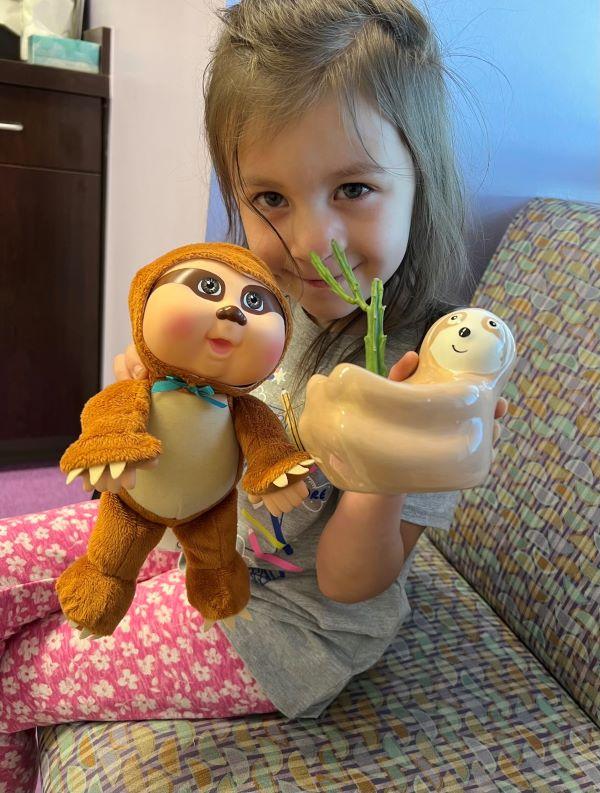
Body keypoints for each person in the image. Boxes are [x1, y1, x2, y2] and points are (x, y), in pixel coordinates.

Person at [0, 1, 508, 789]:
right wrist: (151, 385)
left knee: (20, 675)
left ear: (420, 177)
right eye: (270, 198)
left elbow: (346, 583)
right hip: (193, 532)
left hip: (285, 625)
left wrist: (383, 468)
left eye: (352, 188)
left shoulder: (430, 375)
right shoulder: (267, 303)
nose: (312, 243)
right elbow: (203, 408)